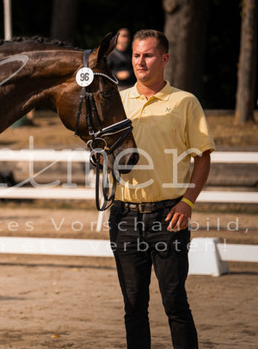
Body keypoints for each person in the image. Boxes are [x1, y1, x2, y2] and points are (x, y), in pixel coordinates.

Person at [110, 29, 215, 349]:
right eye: (136, 55)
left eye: (148, 55)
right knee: (133, 306)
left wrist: (187, 203)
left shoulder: (185, 102)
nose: (140, 61)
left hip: (169, 216)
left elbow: (202, 157)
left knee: (175, 302)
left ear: (165, 58)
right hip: (124, 217)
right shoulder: (117, 101)